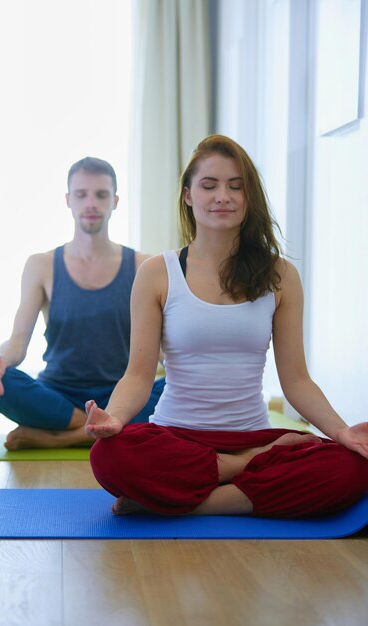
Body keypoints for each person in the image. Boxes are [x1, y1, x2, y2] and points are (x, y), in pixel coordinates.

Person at [84, 134, 368, 519]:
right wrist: (115, 418)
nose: (223, 196)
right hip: (177, 436)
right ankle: (241, 471)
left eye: (236, 187)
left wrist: (342, 433)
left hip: (253, 433)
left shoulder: (280, 275)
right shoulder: (157, 273)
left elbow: (297, 381)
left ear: (249, 198)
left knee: (351, 467)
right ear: (188, 195)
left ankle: (192, 501)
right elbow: (138, 375)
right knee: (110, 455)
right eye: (209, 185)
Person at [0, 156, 165, 451]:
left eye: (101, 195)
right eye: (81, 194)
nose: (91, 203)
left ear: (114, 201)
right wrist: (0, 358)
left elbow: (160, 348)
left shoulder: (143, 265)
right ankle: (102, 428)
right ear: (68, 200)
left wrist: (190, 371)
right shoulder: (41, 265)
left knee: (175, 389)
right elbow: (18, 342)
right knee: (1, 387)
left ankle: (59, 438)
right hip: (58, 394)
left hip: (120, 395)